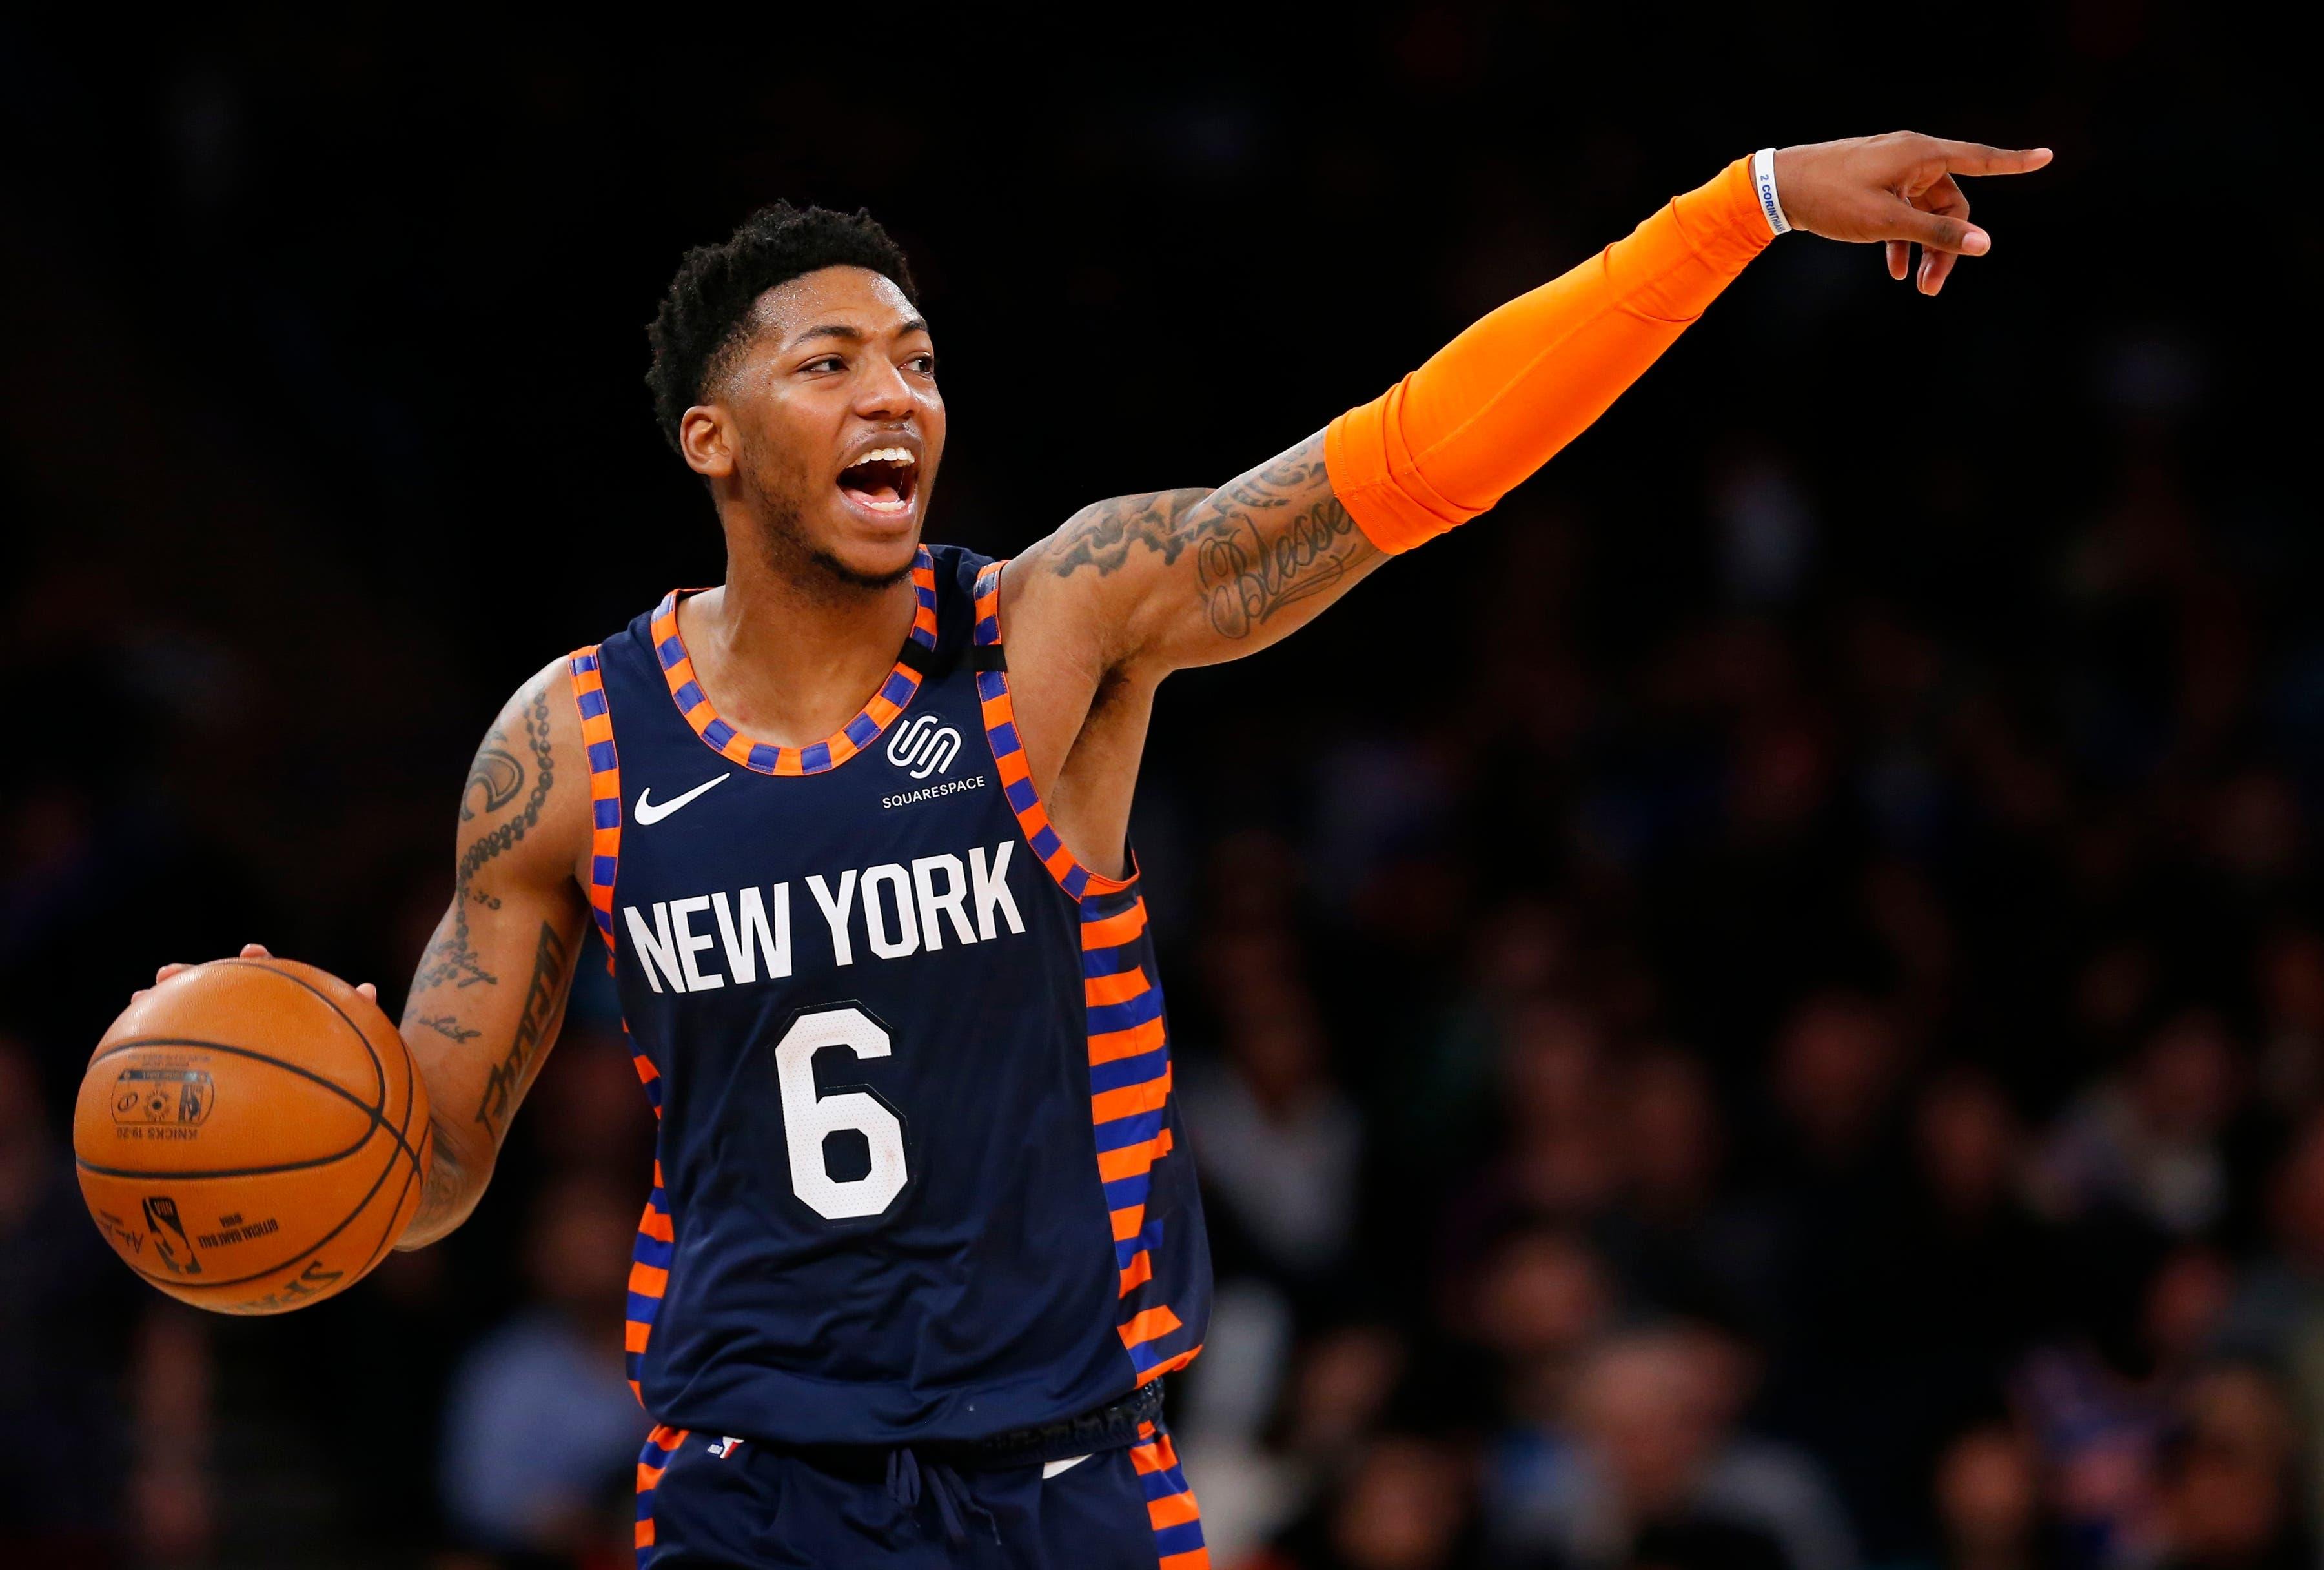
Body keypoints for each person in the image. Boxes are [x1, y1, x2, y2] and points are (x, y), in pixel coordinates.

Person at [142, 132, 2049, 1567]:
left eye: (918, 359)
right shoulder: (568, 745)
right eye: (831, 365)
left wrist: (1752, 199)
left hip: (1067, 1469)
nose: (897, 392)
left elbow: (1416, 459)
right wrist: (246, 1054)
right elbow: (433, 1167)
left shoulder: (1059, 628)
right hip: (751, 1476)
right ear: (712, 442)